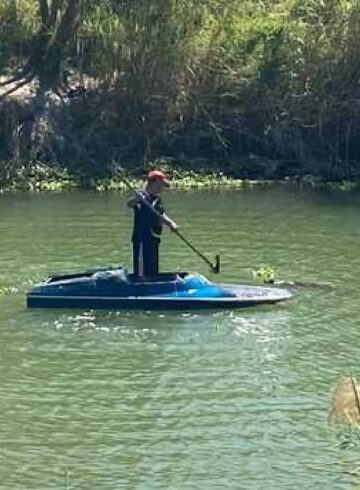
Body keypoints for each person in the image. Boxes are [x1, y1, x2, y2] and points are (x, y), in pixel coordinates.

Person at [127, 169, 177, 278]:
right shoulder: (142, 196)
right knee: (142, 269)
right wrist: (138, 199)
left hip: (154, 238)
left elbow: (160, 214)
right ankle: (140, 284)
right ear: (155, 183)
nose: (162, 188)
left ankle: (152, 280)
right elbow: (130, 203)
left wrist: (170, 223)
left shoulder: (157, 199)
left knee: (152, 268)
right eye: (161, 184)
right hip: (142, 239)